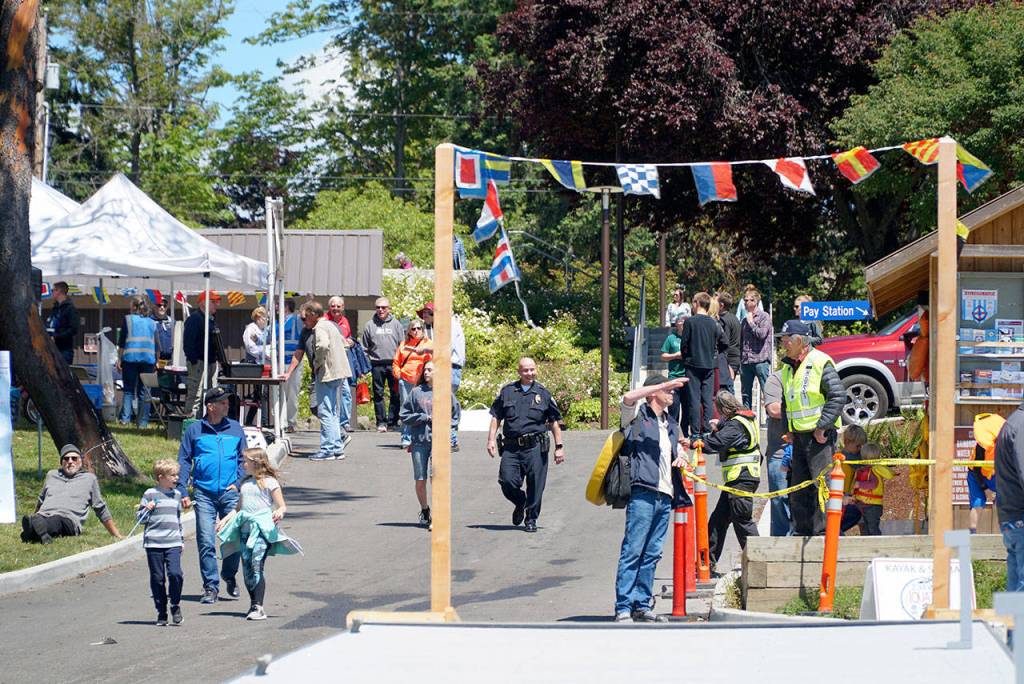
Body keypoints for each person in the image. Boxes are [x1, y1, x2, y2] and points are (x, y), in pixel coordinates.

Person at [614, 374, 690, 623]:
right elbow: (626, 398)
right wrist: (659, 385)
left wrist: (682, 457)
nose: (672, 394)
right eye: (668, 390)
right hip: (643, 492)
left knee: (652, 553)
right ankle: (623, 605)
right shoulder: (637, 419)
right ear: (653, 392)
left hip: (665, 495)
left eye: (672, 391)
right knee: (633, 550)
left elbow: (677, 450)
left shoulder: (670, 423)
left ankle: (642, 604)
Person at [176, 386, 245, 604]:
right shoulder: (195, 430)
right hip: (203, 493)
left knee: (233, 539)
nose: (227, 405)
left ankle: (229, 575)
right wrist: (181, 488)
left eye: (227, 402)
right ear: (210, 406)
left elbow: (244, 460)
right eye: (223, 402)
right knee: (206, 540)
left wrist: (237, 483)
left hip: (229, 492)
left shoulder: (235, 428)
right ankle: (211, 587)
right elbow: (184, 460)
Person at [216, 447, 299, 621]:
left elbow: (282, 505)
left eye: (245, 461)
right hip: (245, 532)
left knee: (256, 564)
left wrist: (279, 512)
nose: (242, 464)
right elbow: (238, 510)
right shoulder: (245, 484)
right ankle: (253, 603)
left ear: (255, 463)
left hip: (261, 530)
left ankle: (259, 607)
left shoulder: (270, 482)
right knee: (247, 569)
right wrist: (224, 520)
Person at [778, 319, 845, 536]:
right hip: (799, 437)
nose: (783, 344)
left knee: (821, 487)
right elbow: (788, 400)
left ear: (799, 341)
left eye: (787, 340)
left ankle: (824, 534)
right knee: (799, 489)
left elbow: (837, 395)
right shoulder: (789, 366)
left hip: (819, 439)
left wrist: (822, 427)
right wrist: (788, 429)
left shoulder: (820, 361)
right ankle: (803, 532)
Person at [487, 357, 565, 533]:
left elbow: (553, 422)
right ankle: (520, 501)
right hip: (512, 446)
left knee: (536, 484)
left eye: (532, 370)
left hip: (535, 447)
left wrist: (559, 446)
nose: (529, 373)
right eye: (525, 370)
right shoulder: (507, 392)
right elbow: (496, 416)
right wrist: (491, 439)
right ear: (519, 372)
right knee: (506, 481)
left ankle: (531, 518)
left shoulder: (543, 393)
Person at [684, 391, 760, 569]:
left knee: (742, 521)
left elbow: (717, 442)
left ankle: (758, 563)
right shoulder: (744, 419)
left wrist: (695, 443)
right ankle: (706, 564)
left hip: (742, 477)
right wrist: (718, 426)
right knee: (719, 520)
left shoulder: (735, 425)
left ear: (723, 409)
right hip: (739, 478)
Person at [21, 444, 123, 544]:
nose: (70, 461)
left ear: (80, 462)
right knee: (40, 520)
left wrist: (116, 534)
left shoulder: (89, 479)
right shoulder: (51, 475)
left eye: (74, 458)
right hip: (43, 514)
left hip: (68, 520)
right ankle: (38, 531)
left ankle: (35, 528)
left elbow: (100, 508)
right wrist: (35, 515)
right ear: (61, 462)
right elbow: (41, 501)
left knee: (56, 521)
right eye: (66, 458)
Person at [400, 361, 460, 529]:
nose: (426, 372)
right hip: (419, 441)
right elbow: (404, 415)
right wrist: (423, 417)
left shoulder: (445, 392)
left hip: (439, 441)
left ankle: (439, 517)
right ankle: (425, 509)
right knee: (420, 479)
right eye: (425, 369)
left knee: (437, 478)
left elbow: (455, 414)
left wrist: (451, 431)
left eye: (430, 370)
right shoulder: (416, 392)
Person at [137, 459, 185, 626]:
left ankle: (175, 604)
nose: (176, 478)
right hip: (154, 544)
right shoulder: (150, 494)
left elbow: (178, 519)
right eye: (172, 475)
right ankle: (161, 611)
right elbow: (140, 519)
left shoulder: (177, 495)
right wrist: (146, 509)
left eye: (177, 475)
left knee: (175, 574)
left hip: (173, 542)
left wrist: (181, 540)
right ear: (161, 477)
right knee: (157, 579)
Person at [306, 301, 352, 461]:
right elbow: (346, 344)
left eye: (305, 318)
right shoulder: (332, 325)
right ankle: (337, 448)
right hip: (340, 372)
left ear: (312, 314)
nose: (305, 321)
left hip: (327, 373)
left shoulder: (320, 327)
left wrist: (317, 364)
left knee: (325, 412)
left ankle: (327, 449)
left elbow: (323, 345)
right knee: (333, 412)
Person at [419, 301, 466, 451]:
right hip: (446, 367)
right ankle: (448, 439)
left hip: (450, 368)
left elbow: (446, 347)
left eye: (427, 313)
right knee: (442, 405)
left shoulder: (448, 324)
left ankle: (451, 440)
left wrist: (426, 349)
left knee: (445, 406)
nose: (424, 316)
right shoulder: (437, 327)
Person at [679, 292, 728, 439]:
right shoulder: (714, 323)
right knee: (707, 399)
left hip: (693, 365)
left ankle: (695, 433)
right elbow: (724, 342)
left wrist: (687, 356)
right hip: (709, 365)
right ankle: (707, 431)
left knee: (694, 400)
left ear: (696, 303)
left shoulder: (690, 322)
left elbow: (684, 345)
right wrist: (714, 353)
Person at [361, 297, 405, 433]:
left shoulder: (396, 324)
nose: (381, 310)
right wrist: (367, 364)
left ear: (389, 308)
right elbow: (364, 347)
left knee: (395, 393)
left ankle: (392, 421)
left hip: (393, 363)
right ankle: (381, 422)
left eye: (384, 307)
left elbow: (402, 345)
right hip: (377, 364)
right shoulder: (369, 325)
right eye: (378, 307)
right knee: (378, 394)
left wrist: (401, 363)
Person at [995, 399, 1024, 591]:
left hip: (1011, 518)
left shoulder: (1013, 422)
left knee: (1014, 591)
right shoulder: (1021, 426)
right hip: (1020, 518)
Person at [117, 296, 158, 428]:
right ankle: (143, 422)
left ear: (133, 307)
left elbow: (122, 341)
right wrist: (156, 361)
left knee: (128, 390)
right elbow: (157, 344)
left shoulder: (128, 319)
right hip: (148, 361)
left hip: (130, 359)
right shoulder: (152, 323)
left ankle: (125, 420)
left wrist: (119, 358)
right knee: (145, 391)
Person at [394, 319, 433, 448]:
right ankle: (406, 437)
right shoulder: (404, 344)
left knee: (422, 408)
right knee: (406, 408)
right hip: (406, 380)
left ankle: (421, 436)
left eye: (419, 328)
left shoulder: (429, 344)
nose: (416, 331)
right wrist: (399, 375)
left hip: (422, 382)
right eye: (413, 329)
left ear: (423, 329)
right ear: (409, 331)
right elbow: (396, 362)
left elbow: (436, 357)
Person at [763, 370, 792, 536]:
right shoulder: (777, 379)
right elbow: (774, 409)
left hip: (811, 449)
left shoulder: (815, 374)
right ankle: (781, 546)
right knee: (781, 500)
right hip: (780, 452)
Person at [183, 291, 221, 418]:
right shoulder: (195, 319)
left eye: (217, 302)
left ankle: (206, 421)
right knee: (195, 393)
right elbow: (188, 342)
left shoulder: (211, 319)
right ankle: (190, 423)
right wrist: (194, 361)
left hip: (210, 362)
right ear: (203, 303)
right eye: (213, 302)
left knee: (211, 394)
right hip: (199, 362)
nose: (217, 305)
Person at [841, 442, 892, 536]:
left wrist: (859, 484)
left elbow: (873, 484)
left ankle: (876, 544)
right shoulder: (864, 470)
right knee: (865, 527)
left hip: (872, 507)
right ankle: (867, 544)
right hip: (863, 505)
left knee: (872, 528)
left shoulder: (873, 470)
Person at [968, 412, 1003, 533]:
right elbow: (977, 470)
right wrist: (986, 489)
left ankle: (1007, 533)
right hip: (976, 474)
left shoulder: (1008, 442)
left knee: (1004, 502)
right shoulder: (981, 446)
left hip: (995, 473)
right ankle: (971, 534)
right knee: (977, 503)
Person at [740, 287, 773, 410]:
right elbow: (741, 341)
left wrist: (751, 323)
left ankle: (771, 419)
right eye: (745, 300)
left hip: (760, 360)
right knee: (745, 394)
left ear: (756, 302)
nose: (747, 303)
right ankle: (747, 420)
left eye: (750, 300)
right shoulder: (744, 320)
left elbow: (762, 334)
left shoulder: (764, 317)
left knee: (767, 392)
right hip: (746, 362)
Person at [326, 296, 355, 435]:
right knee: (331, 394)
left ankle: (344, 422)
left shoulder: (345, 321)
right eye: (333, 306)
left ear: (343, 308)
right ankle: (332, 421)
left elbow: (347, 337)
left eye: (338, 306)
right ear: (329, 307)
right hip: (329, 362)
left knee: (346, 393)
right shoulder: (325, 320)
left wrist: (351, 342)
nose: (335, 308)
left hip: (343, 362)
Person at [659, 317, 688, 428]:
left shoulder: (690, 337)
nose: (683, 323)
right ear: (676, 324)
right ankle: (672, 430)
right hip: (674, 377)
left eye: (685, 321)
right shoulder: (671, 338)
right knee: (673, 406)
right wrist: (675, 355)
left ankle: (685, 432)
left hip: (687, 376)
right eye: (680, 321)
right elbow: (663, 356)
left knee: (687, 408)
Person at [281, 299, 303, 432]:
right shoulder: (276, 321)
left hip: (293, 361)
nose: (276, 307)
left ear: (287, 306)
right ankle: (280, 422)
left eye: (279, 304)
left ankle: (291, 422)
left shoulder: (296, 319)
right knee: (279, 393)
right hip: (278, 361)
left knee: (292, 393)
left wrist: (308, 301)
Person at [46, 281, 79, 365]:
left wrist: (57, 337)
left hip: (64, 349)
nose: (52, 292)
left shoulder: (70, 309)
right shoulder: (55, 308)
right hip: (52, 348)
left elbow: (73, 329)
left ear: (59, 291)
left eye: (53, 290)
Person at [717, 291, 741, 394]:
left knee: (727, 391)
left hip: (728, 359)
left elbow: (724, 343)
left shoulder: (723, 320)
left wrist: (727, 364)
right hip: (735, 356)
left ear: (721, 305)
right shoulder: (734, 318)